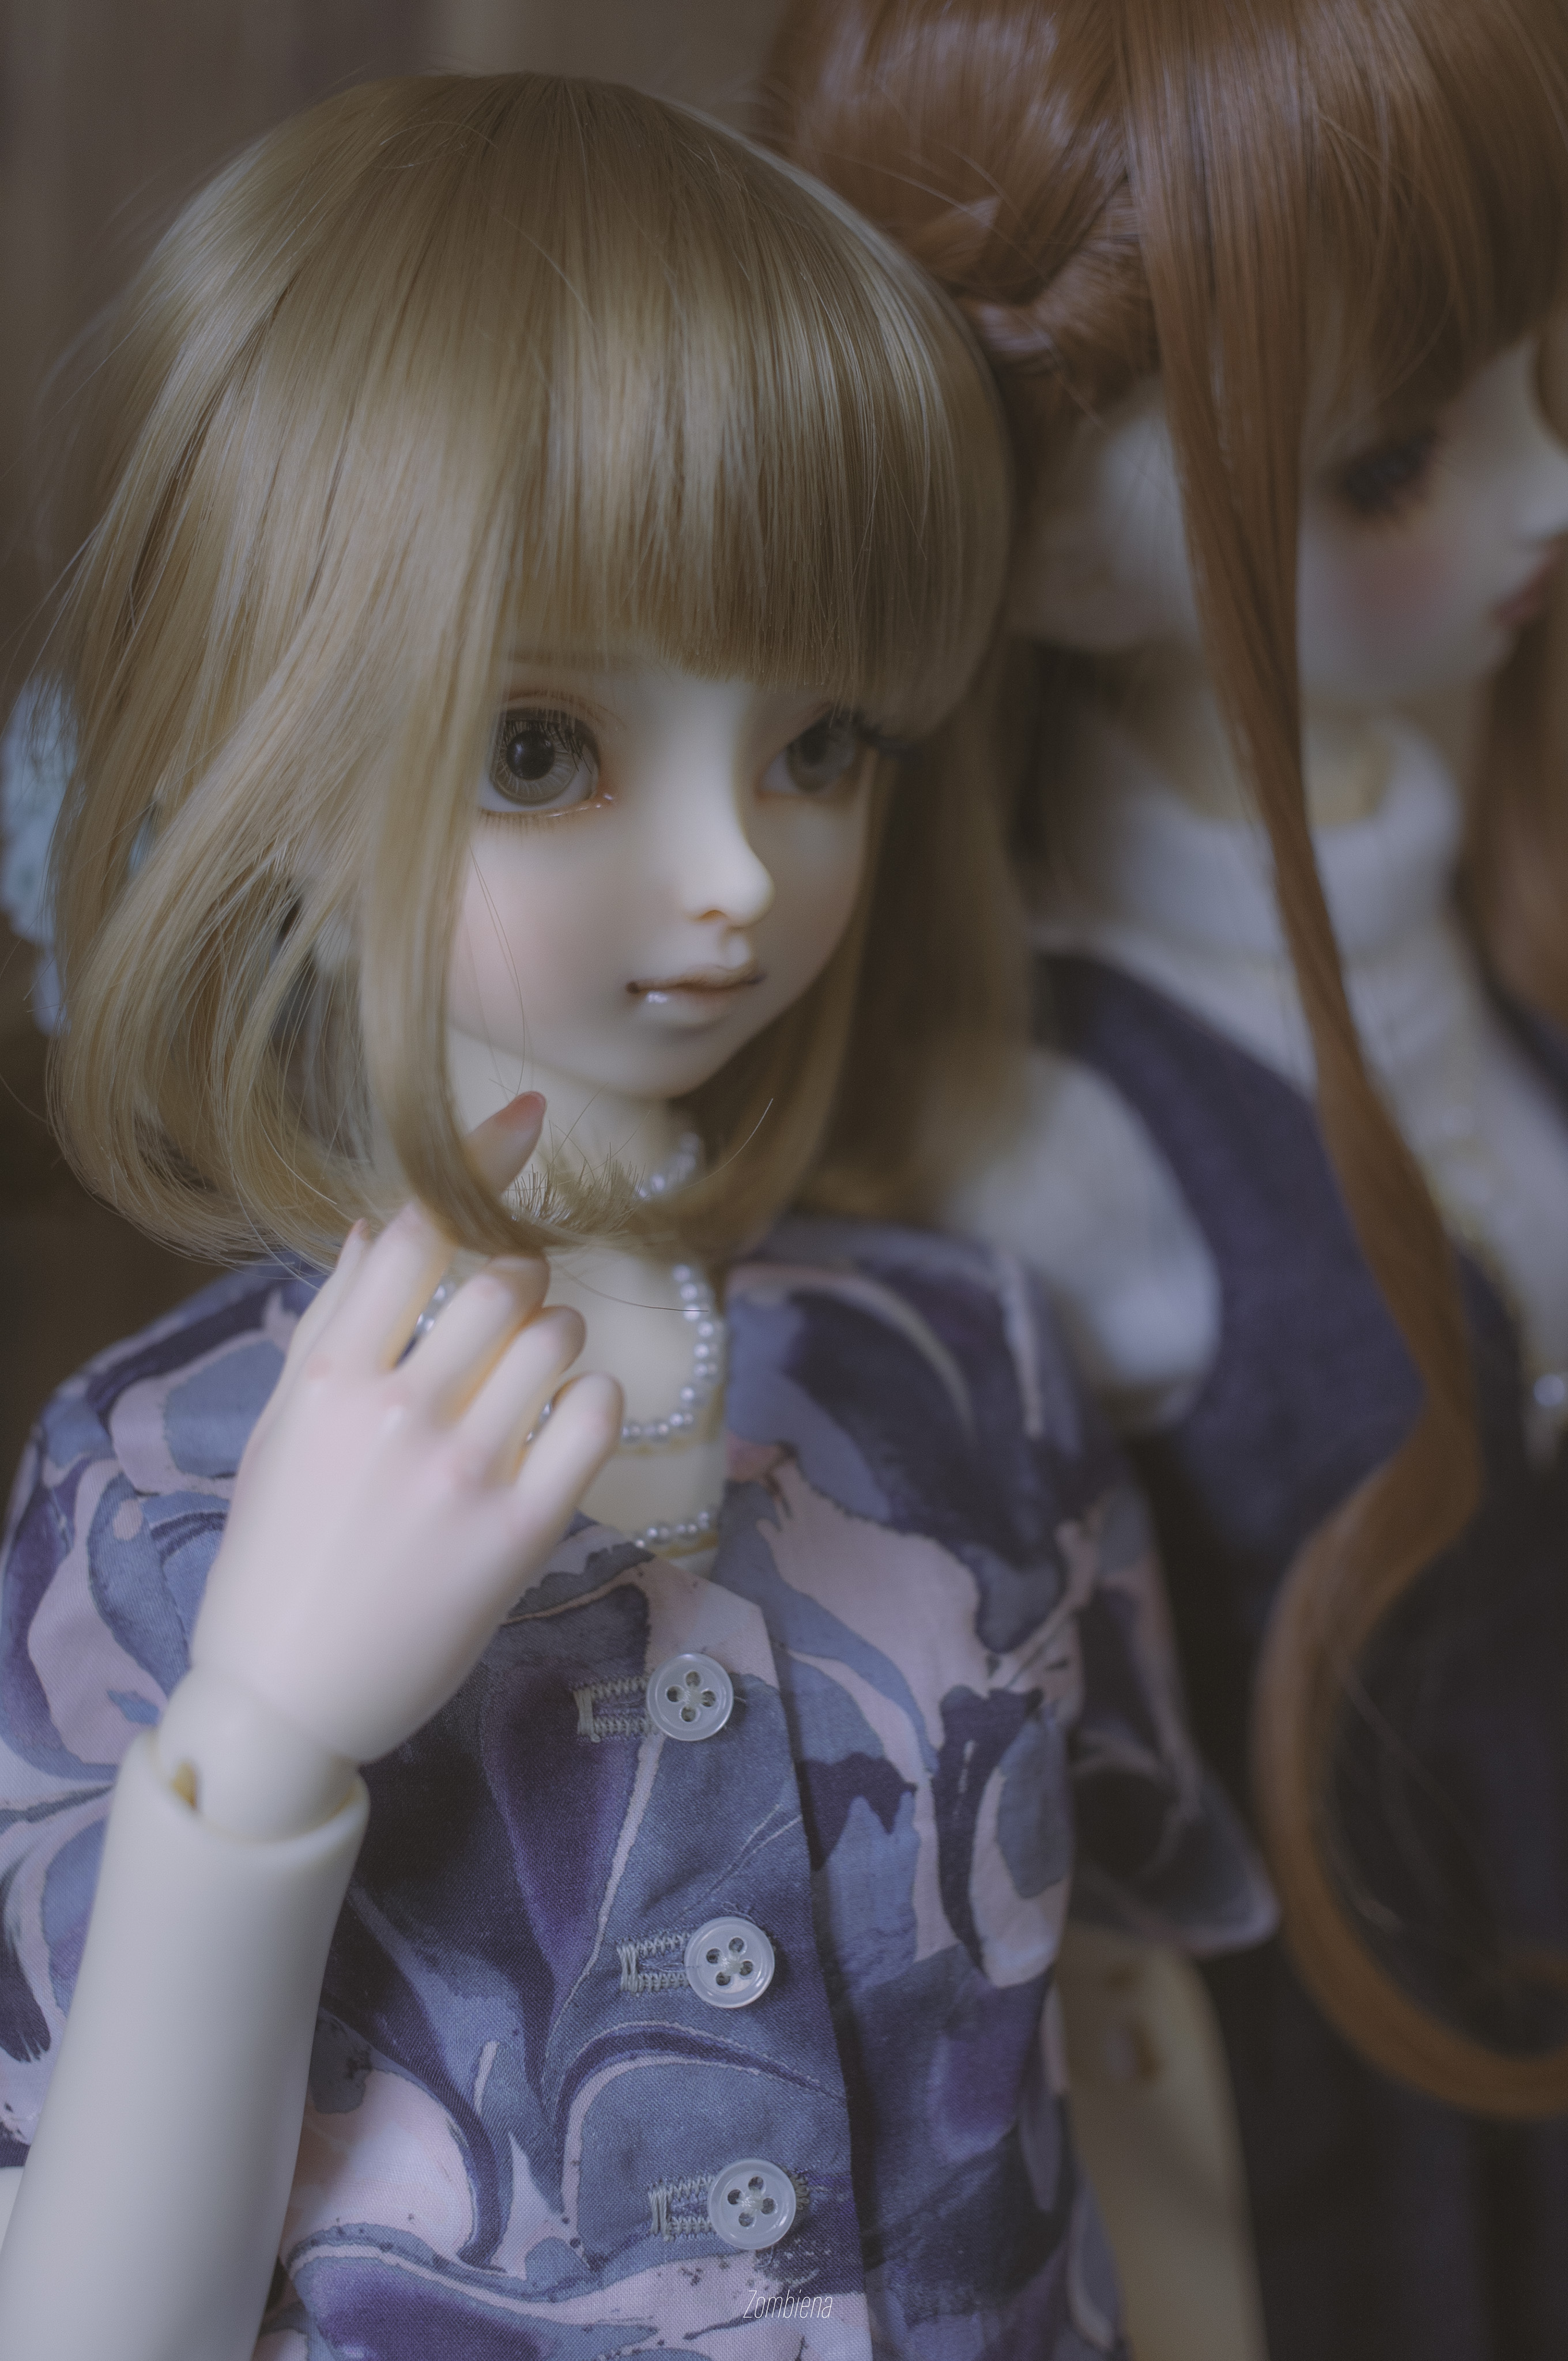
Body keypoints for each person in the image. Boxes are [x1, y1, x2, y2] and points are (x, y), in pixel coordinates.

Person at [0, 73, 1271, 2361]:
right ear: (243, 763)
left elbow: (1120, 2015)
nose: (733, 875)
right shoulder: (150, 1485)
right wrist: (259, 1737)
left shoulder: (964, 1362)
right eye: (542, 748)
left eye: (819, 745)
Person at [762, 3, 1568, 2358]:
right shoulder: (1047, 1142)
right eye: (1392, 459)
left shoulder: (1474, 873)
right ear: (1043, 550)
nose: (1546, 493)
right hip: (1343, 2148)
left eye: (1544, 373)